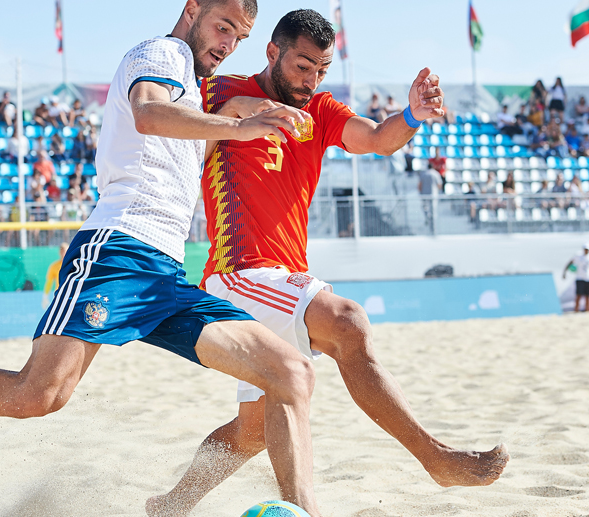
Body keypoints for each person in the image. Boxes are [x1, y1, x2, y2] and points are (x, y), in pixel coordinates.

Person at [0, 2, 327, 515]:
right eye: (222, 27)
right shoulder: (161, 52)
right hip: (117, 249)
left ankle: (274, 511)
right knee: (39, 395)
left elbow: (194, 134)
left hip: (165, 271)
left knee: (290, 372)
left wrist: (242, 115)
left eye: (239, 37)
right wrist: (239, 126)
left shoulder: (196, 85)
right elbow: (149, 112)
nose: (227, 45)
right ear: (192, 9)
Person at [148, 10, 509, 515]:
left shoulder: (319, 107)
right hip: (239, 271)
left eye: (321, 69)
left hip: (283, 276)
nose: (311, 79)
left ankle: (170, 505)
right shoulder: (221, 91)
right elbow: (187, 119)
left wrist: (409, 116)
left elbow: (378, 140)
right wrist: (248, 109)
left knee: (252, 429)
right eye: (302, 66)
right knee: (347, 321)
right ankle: (437, 459)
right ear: (272, 52)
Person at [563, 243, 589, 312]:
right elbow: (570, 263)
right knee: (578, 295)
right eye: (585, 249)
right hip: (580, 278)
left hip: (588, 279)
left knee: (588, 296)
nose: (586, 251)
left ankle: (587, 311)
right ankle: (576, 311)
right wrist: (564, 272)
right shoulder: (578, 255)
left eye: (587, 249)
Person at [42, 242, 69, 309]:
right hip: (59, 295)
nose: (63, 253)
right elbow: (49, 282)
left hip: (71, 294)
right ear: (59, 252)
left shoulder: (73, 264)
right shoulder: (54, 266)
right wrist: (45, 296)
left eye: (65, 251)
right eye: (62, 251)